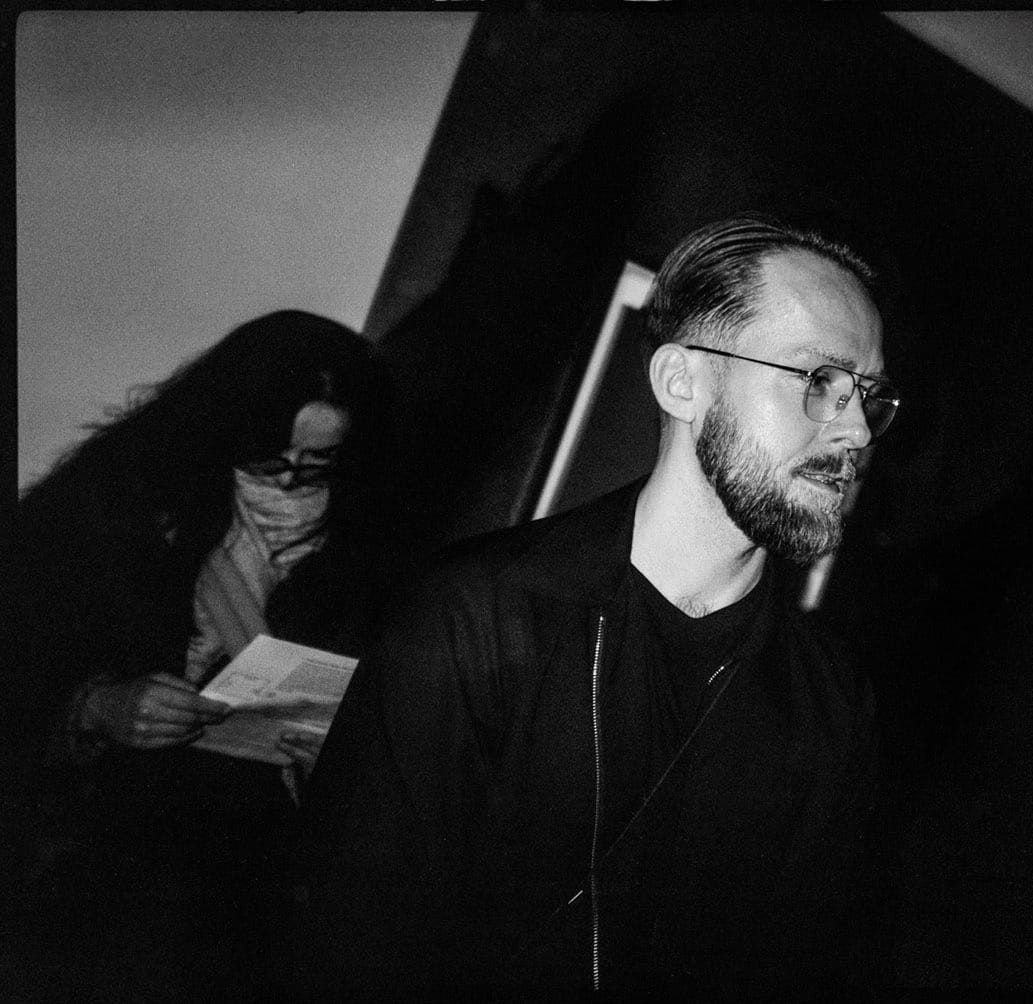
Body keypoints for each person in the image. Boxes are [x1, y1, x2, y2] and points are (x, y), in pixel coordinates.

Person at [301, 214, 902, 994]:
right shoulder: (474, 615)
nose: (856, 429)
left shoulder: (832, 703)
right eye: (818, 379)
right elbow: (347, 947)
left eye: (868, 394)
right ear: (682, 382)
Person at [5, 310, 387, 1002]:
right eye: (269, 460)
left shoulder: (366, 552)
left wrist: (333, 767)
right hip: (75, 876)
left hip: (229, 907)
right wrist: (93, 709)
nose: (289, 484)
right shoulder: (112, 507)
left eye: (318, 466)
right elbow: (21, 658)